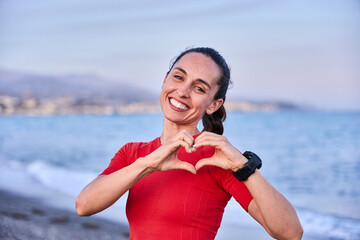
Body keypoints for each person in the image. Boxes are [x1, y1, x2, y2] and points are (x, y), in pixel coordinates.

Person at [76, 47, 303, 240]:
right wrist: (148, 164)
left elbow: (290, 233)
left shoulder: (217, 161)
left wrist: (243, 165)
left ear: (213, 105)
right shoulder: (133, 153)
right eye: (178, 77)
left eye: (199, 88)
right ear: (165, 79)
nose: (183, 92)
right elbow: (84, 206)